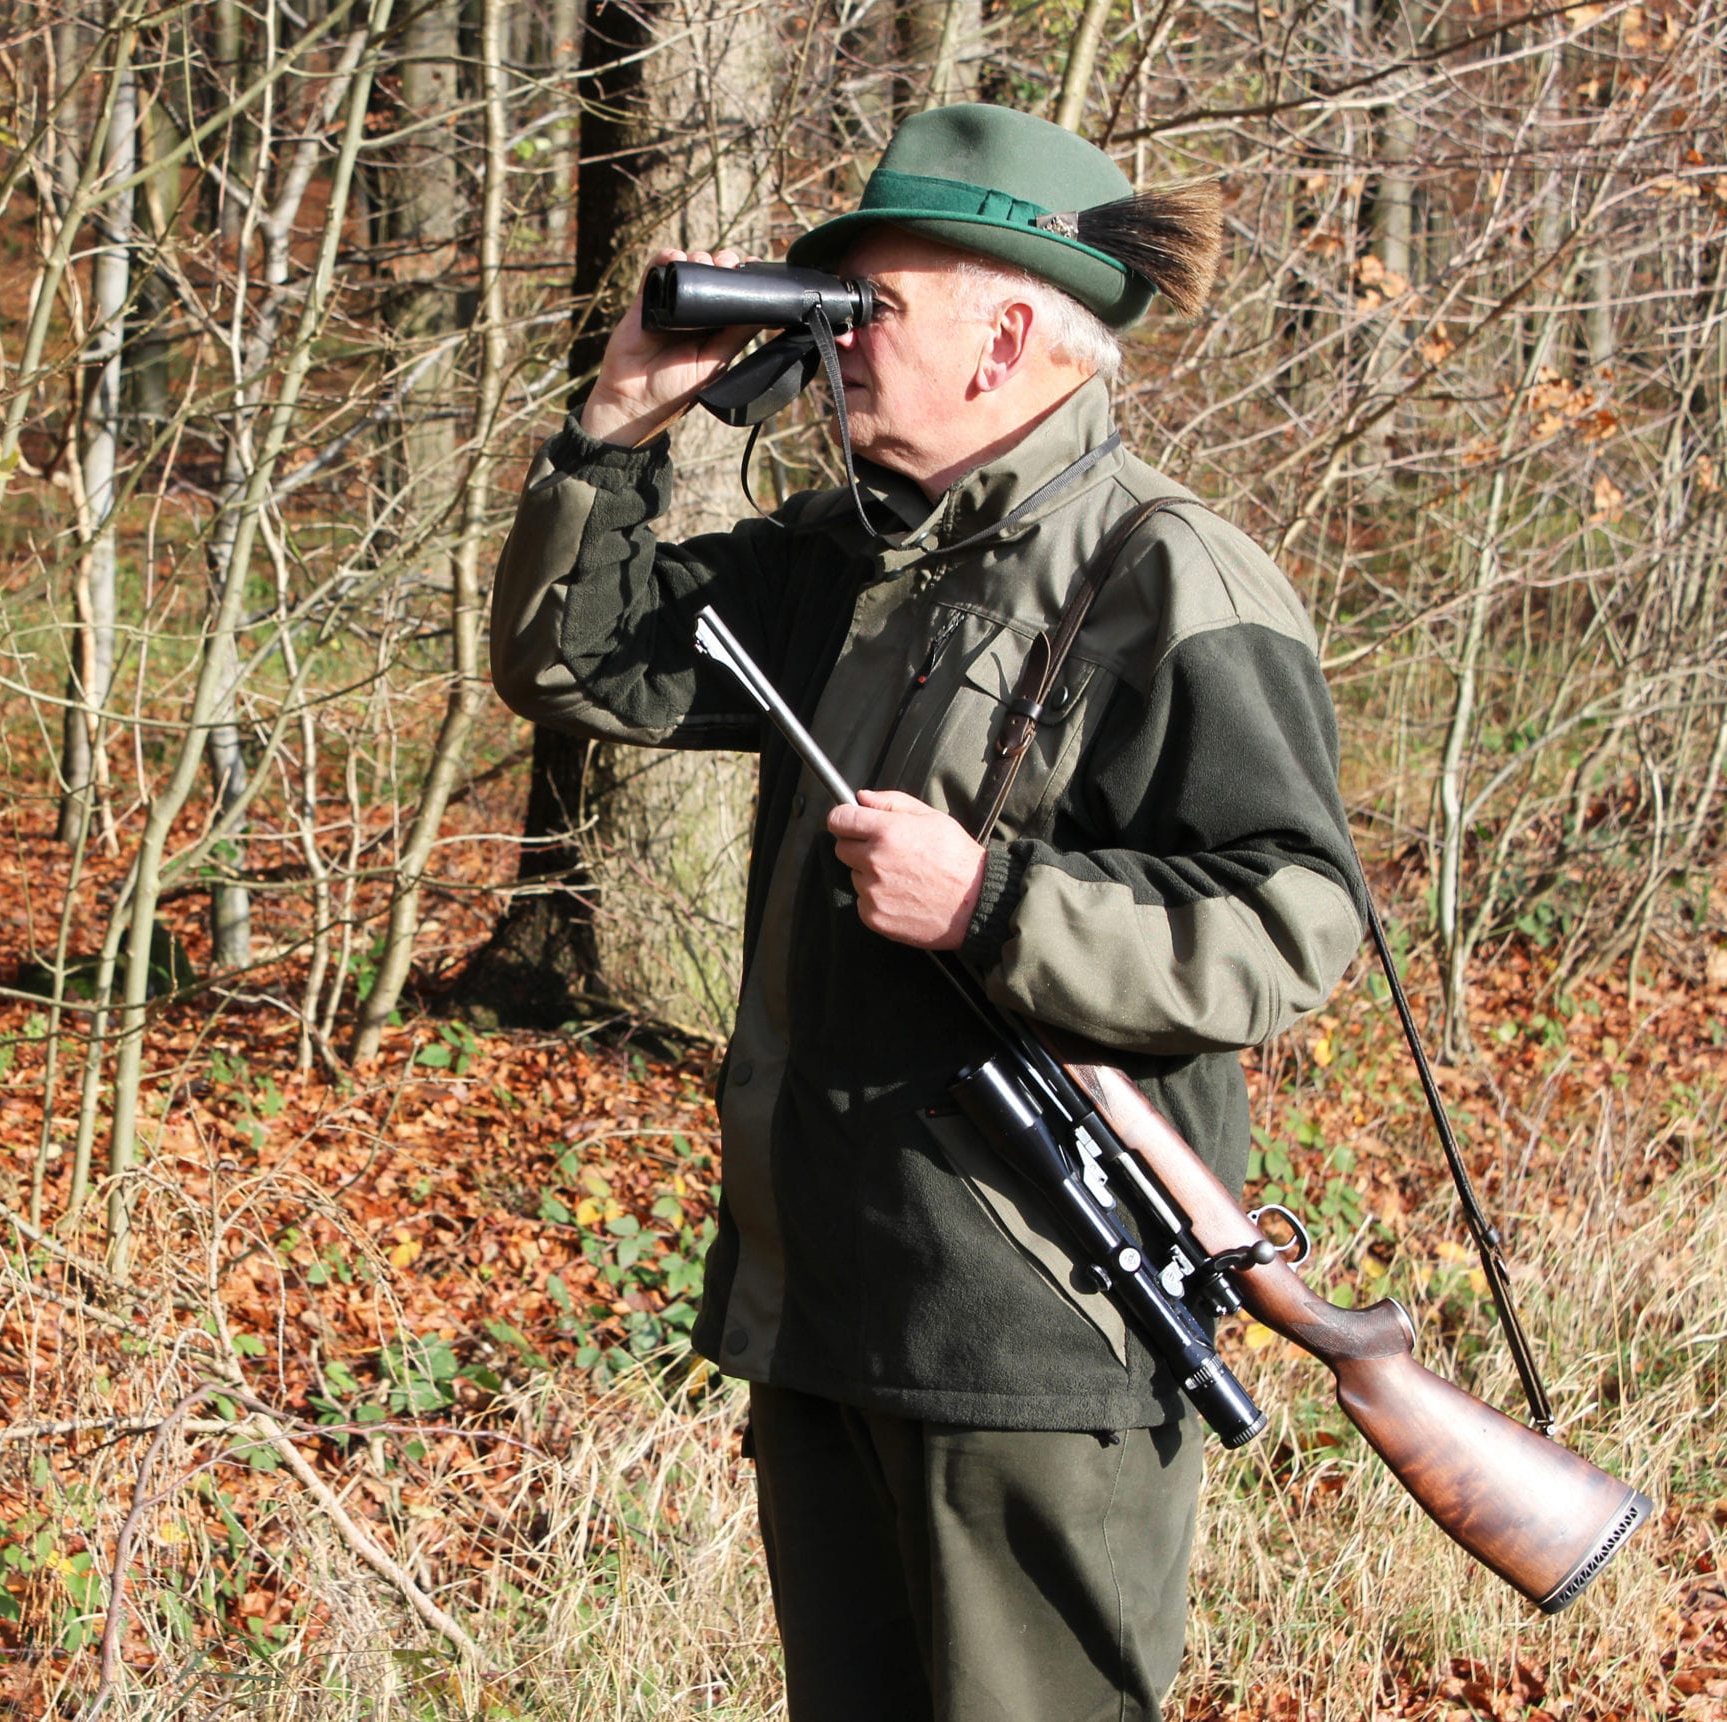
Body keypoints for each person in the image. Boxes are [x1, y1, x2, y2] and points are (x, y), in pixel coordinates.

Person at [488, 104, 1364, 1720]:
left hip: (1038, 1324)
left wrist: (994, 898)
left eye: (871, 308)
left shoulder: (1175, 577)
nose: (836, 345)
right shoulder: (848, 558)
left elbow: (1291, 917)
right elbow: (574, 666)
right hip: (829, 1301)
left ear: (1012, 332)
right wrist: (612, 427)